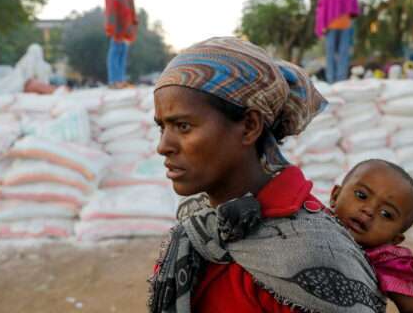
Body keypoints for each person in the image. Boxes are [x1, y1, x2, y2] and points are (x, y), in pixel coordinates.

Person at [149, 37, 386, 313]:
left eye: (183, 126)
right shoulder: (199, 228)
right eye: (161, 128)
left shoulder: (313, 251)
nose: (163, 146)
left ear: (249, 126)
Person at [330, 159, 413, 313]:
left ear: (395, 240)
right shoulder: (310, 222)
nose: (369, 210)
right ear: (335, 195)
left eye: (386, 214)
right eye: (361, 195)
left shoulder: (388, 261)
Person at [316, 0, 359, 84]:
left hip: (331, 24)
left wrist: (322, 24)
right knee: (343, 52)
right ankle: (341, 79)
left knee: (330, 53)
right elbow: (354, 4)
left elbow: (321, 5)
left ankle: (331, 79)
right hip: (345, 23)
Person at [104, 0, 138, 89]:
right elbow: (112, 1)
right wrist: (114, 21)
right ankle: (114, 80)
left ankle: (121, 78)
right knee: (116, 49)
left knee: (123, 50)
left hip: (125, 21)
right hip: (117, 20)